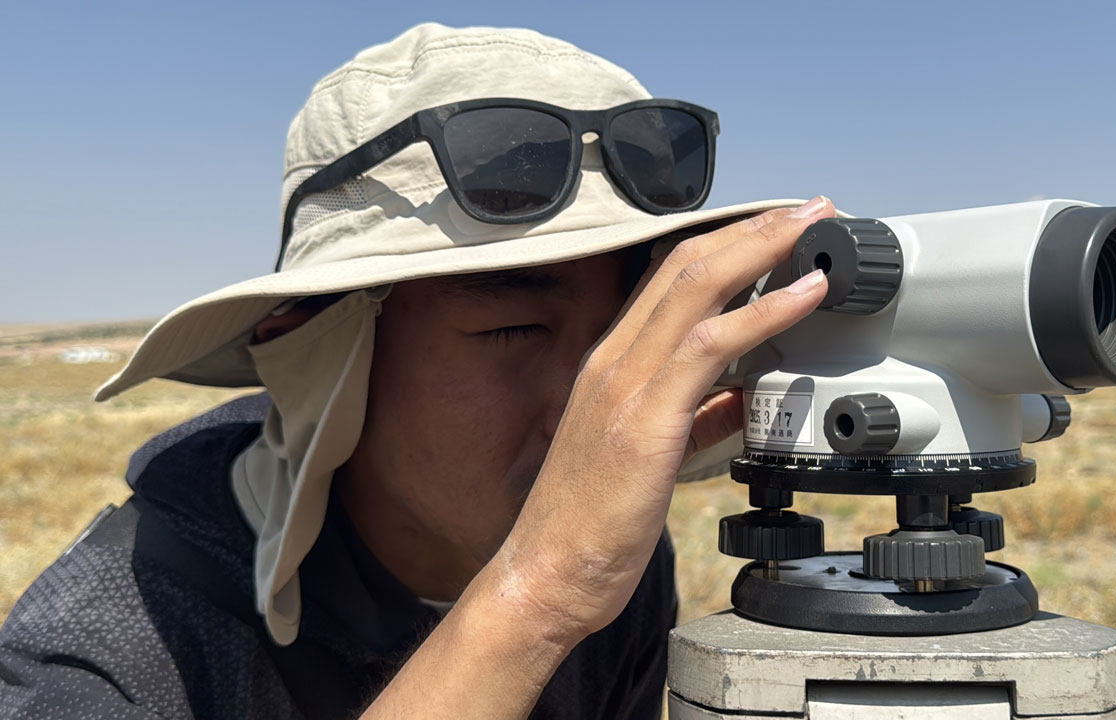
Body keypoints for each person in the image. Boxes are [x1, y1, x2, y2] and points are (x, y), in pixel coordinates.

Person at [0, 23, 833, 719]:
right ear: (309, 349)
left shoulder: (615, 559)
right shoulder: (108, 653)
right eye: (514, 327)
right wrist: (540, 597)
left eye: (625, 334)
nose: (592, 406)